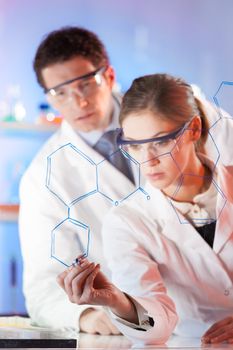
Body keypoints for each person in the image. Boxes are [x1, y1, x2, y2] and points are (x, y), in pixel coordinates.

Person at [57, 74, 233, 346]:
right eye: (134, 146)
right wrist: (118, 301)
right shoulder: (128, 221)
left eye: (161, 142)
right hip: (196, 343)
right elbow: (156, 327)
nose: (147, 161)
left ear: (194, 130)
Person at [19, 26, 135, 335]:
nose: (78, 102)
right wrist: (88, 317)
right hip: (128, 324)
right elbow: (43, 289)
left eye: (86, 84)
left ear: (108, 76)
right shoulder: (43, 175)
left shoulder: (172, 116)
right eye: (60, 93)